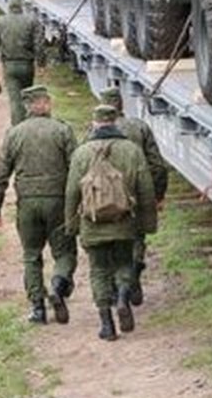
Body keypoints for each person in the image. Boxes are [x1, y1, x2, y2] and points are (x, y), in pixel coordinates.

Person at [0, 85, 78, 324]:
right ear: (46, 103)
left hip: (27, 204)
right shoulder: (62, 131)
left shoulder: (14, 134)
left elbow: (0, 176)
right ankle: (58, 287)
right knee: (65, 252)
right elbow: (78, 170)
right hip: (58, 202)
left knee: (31, 255)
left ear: (27, 107)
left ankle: (38, 308)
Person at [65, 104, 157, 341]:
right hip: (124, 222)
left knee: (98, 270)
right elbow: (146, 189)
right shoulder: (132, 150)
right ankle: (124, 297)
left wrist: (71, 225)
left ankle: (107, 324)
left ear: (94, 123)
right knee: (124, 262)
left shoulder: (82, 153)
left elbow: (71, 193)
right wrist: (148, 223)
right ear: (115, 121)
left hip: (92, 223)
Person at [99, 85, 167, 306]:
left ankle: (115, 286)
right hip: (136, 193)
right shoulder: (139, 127)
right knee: (136, 238)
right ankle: (133, 276)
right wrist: (158, 194)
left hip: (106, 196)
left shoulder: (94, 133)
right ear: (120, 104)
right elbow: (157, 165)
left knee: (109, 239)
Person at [0, 0, 45, 125]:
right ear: (21, 6)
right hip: (27, 66)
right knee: (27, 96)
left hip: (10, 67)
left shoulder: (1, 22)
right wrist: (41, 63)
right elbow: (39, 44)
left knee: (15, 101)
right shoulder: (32, 21)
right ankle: (29, 124)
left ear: (9, 7)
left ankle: (18, 129)